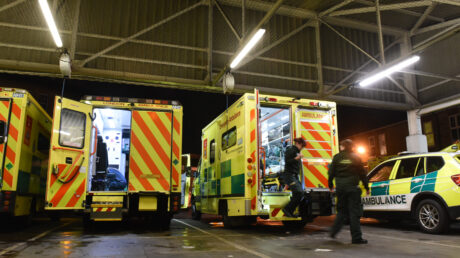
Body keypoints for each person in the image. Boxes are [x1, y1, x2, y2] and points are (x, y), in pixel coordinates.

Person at [328, 139, 370, 244]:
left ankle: (333, 232)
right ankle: (356, 238)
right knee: (354, 213)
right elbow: (362, 174)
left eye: (341, 146)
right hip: (352, 188)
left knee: (341, 211)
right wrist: (367, 187)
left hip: (341, 189)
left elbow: (331, 172)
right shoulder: (356, 157)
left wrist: (330, 185)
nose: (340, 147)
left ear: (343, 147)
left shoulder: (337, 157)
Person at [282, 137, 306, 218]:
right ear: (298, 143)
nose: (302, 148)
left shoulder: (296, 151)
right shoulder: (291, 150)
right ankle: (287, 209)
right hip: (289, 175)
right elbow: (287, 161)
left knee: (301, 193)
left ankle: (290, 211)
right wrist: (297, 158)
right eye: (302, 146)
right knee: (299, 192)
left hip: (293, 176)